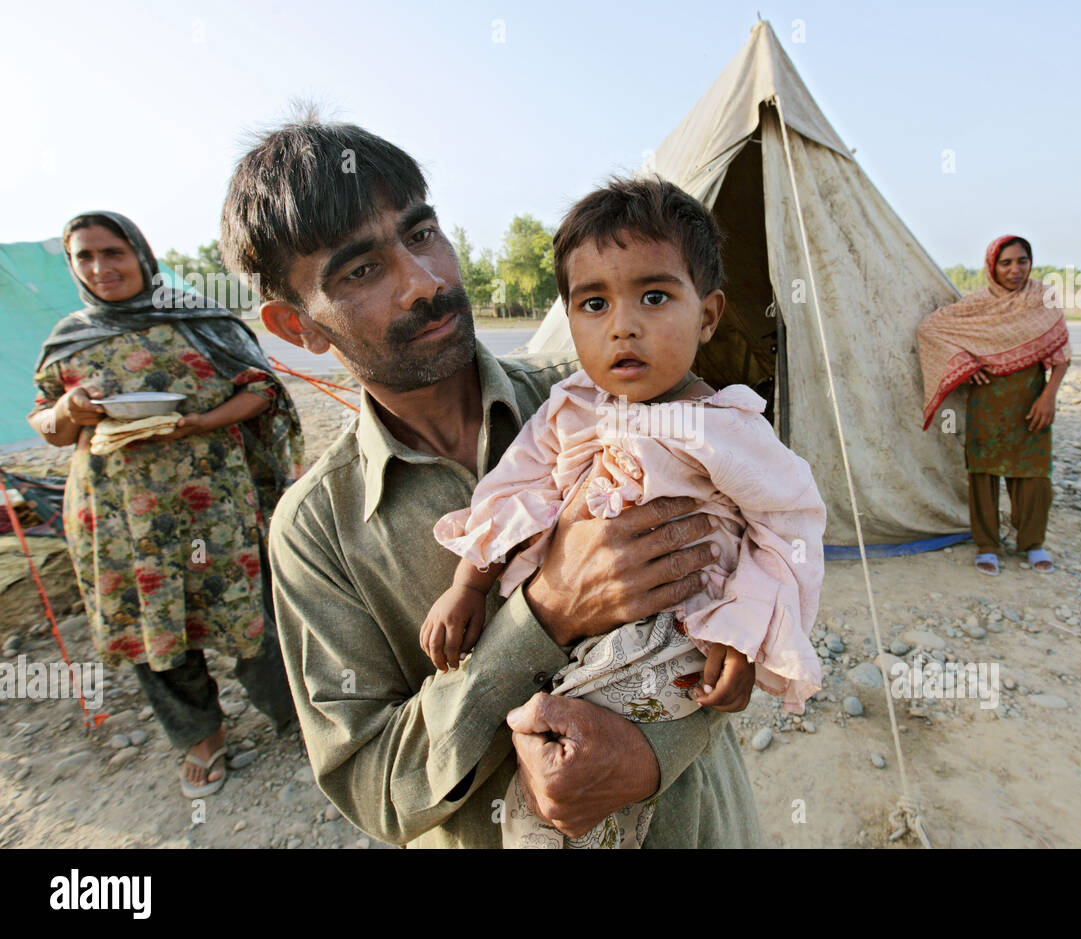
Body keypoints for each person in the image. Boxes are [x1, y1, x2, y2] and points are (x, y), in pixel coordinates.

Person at [222, 118, 764, 848]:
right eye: (362, 271)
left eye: (421, 235)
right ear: (297, 325)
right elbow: (375, 783)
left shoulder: (608, 399)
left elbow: (740, 572)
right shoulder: (316, 530)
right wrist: (542, 616)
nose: (426, 281)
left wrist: (648, 753)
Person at [423, 177, 825, 848]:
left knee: (589, 773)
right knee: (549, 774)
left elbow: (788, 530)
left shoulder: (728, 428)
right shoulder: (568, 409)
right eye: (594, 303)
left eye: (655, 296)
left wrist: (743, 630)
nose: (623, 324)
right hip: (572, 643)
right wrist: (468, 581)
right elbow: (512, 483)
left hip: (675, 641)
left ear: (709, 314)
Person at [28, 211, 304, 797]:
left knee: (249, 614)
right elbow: (46, 422)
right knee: (151, 629)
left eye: (114, 253)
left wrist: (201, 420)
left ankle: (297, 717)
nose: (101, 268)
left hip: (214, 507)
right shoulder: (70, 338)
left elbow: (260, 390)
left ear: (141, 255)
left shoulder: (196, 318)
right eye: (85, 257)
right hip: (119, 518)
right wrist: (68, 412)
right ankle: (201, 738)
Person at [917, 234, 1071, 576]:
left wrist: (1049, 396)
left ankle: (1032, 543)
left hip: (1031, 398)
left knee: (1034, 475)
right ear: (992, 266)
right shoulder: (977, 305)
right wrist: (965, 365)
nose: (1015, 270)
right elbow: (931, 329)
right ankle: (987, 545)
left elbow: (1061, 355)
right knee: (983, 474)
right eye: (1006, 263)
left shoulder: (1043, 300)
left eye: (1022, 261)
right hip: (987, 402)